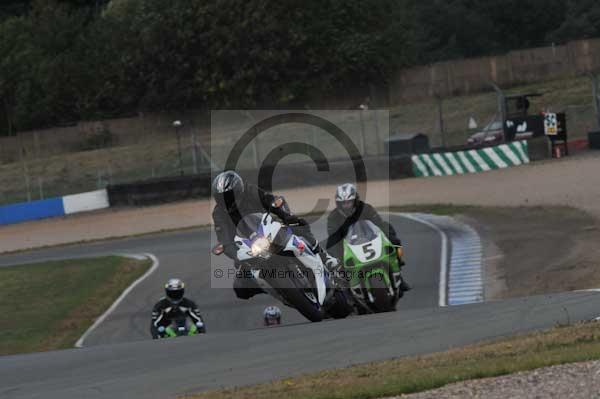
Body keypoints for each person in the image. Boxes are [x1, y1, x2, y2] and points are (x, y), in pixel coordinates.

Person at [212, 170, 339, 300]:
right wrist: (234, 253)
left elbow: (272, 200)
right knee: (240, 288)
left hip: (269, 229)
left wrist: (286, 216)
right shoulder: (218, 213)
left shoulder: (250, 191)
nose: (227, 200)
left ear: (239, 190)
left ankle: (324, 257)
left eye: (229, 196)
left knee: (299, 225)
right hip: (248, 246)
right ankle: (271, 288)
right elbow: (224, 238)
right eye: (223, 197)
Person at [326, 183, 411, 292]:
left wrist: (388, 236)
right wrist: (338, 257)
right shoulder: (333, 217)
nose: (346, 205)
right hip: (348, 244)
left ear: (355, 200)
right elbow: (333, 236)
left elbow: (378, 223)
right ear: (338, 203)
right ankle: (347, 283)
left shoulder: (365, 208)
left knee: (388, 229)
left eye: (349, 202)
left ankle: (398, 269)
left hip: (370, 237)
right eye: (343, 203)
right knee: (331, 249)